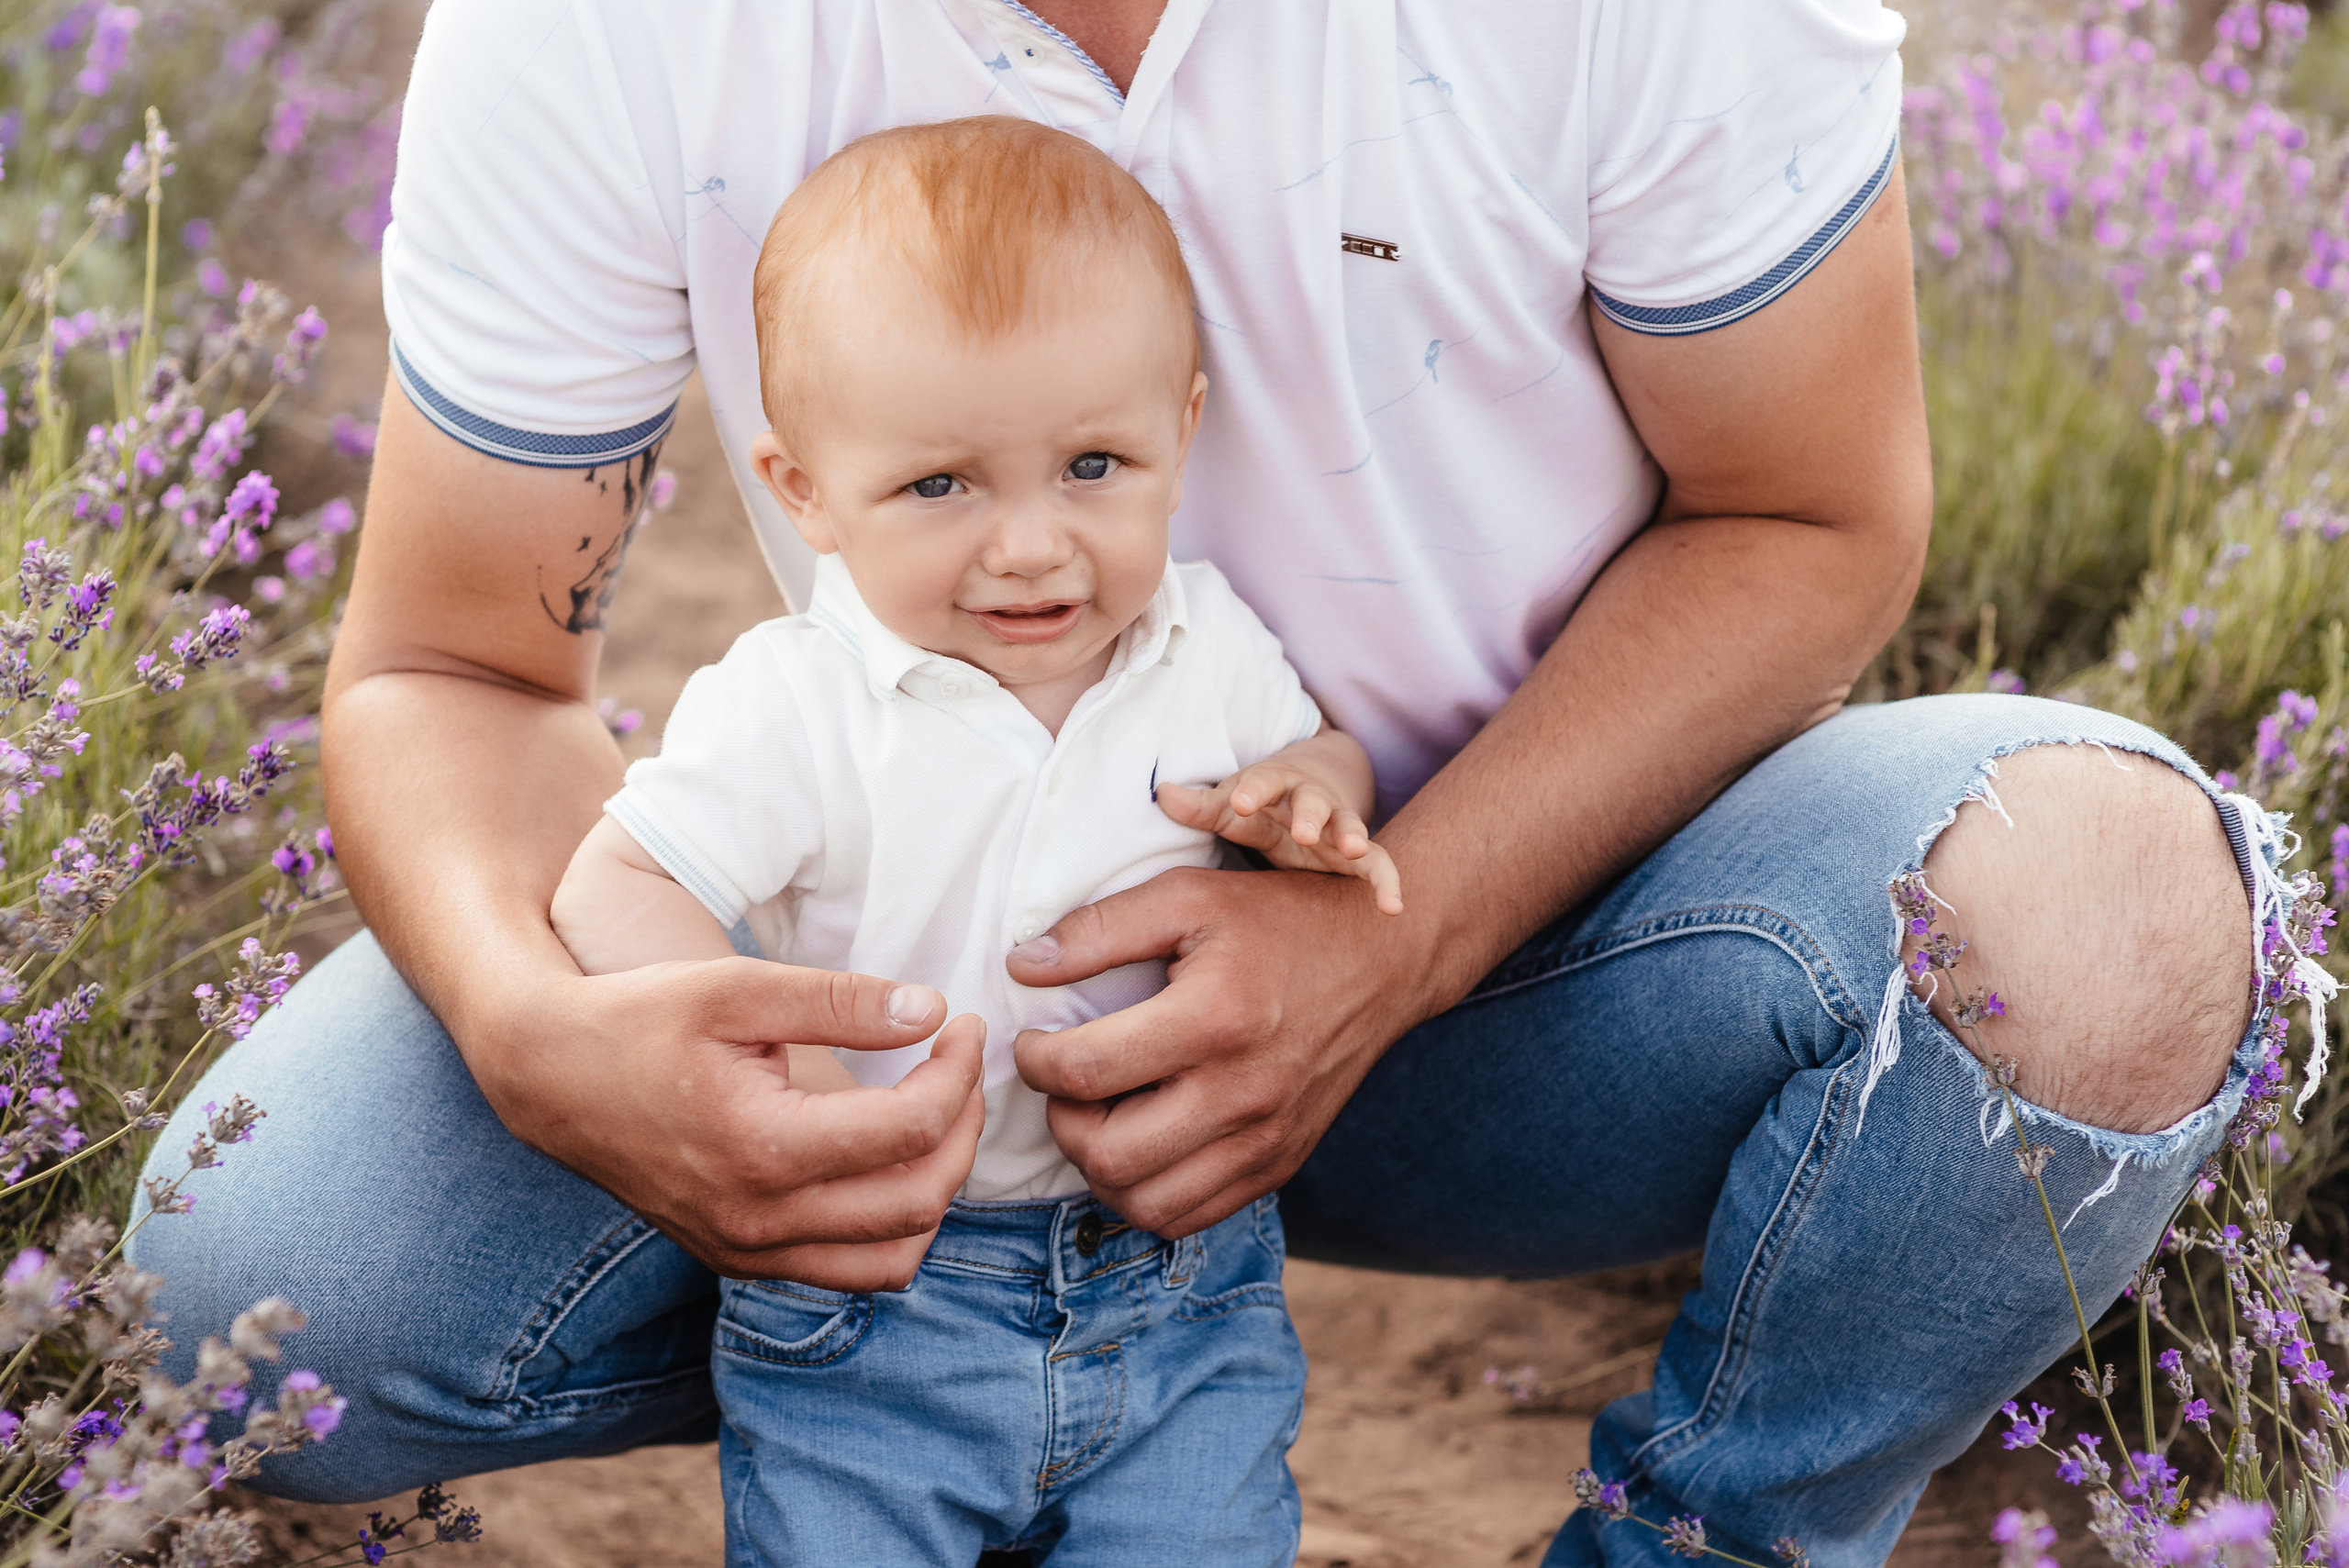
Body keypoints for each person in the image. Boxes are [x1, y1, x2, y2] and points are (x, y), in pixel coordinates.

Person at [128, 3, 2268, 1564]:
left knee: (2102, 904)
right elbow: (451, 660)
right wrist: (549, 1037)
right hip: (943, 1086)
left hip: (1556, 955)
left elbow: (1808, 518)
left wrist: (1385, 939)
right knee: (262, 1280)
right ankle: (954, 1399)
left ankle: (1705, 1539)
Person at [550, 117, 1400, 1563]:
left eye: (1093, 464)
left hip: (1179, 1271)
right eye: (941, 485)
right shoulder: (801, 701)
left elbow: (1316, 745)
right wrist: (778, 1054)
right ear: (804, 490)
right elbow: (619, 880)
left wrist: (1316, 787)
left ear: (1183, 430)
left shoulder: (1203, 641)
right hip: (883, 1283)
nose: (1030, 545)